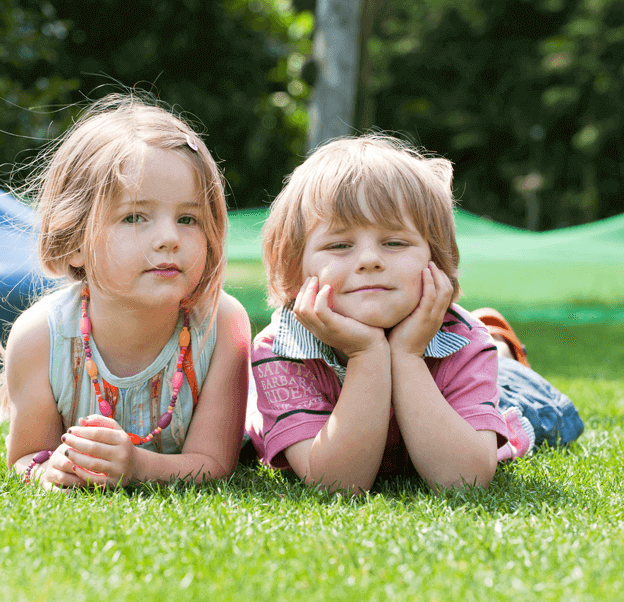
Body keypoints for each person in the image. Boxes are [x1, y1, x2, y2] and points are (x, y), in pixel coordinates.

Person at [245, 135, 581, 494]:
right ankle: (499, 351)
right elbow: (338, 484)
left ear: (435, 260)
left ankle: (500, 351)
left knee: (538, 412)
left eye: (394, 242)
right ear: (295, 273)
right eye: (339, 245)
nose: (370, 260)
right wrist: (367, 353)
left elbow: (463, 481)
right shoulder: (281, 348)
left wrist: (405, 354)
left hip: (501, 392)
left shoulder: (463, 340)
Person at [0, 94, 251, 491]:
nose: (169, 238)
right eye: (135, 217)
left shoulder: (222, 325)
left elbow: (214, 463)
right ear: (74, 240)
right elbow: (26, 457)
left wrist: (136, 466)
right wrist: (50, 470)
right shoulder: (39, 338)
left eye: (188, 218)